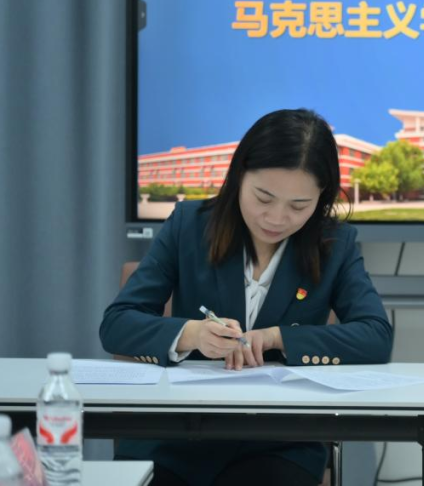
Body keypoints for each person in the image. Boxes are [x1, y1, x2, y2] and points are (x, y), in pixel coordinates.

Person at [101, 108, 393, 486]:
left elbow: (376, 336)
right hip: (178, 434)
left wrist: (278, 338)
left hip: (279, 442)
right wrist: (191, 334)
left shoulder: (335, 243)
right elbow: (117, 323)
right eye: (263, 197)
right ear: (239, 176)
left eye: (299, 206)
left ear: (321, 197)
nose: (277, 218)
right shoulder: (188, 224)